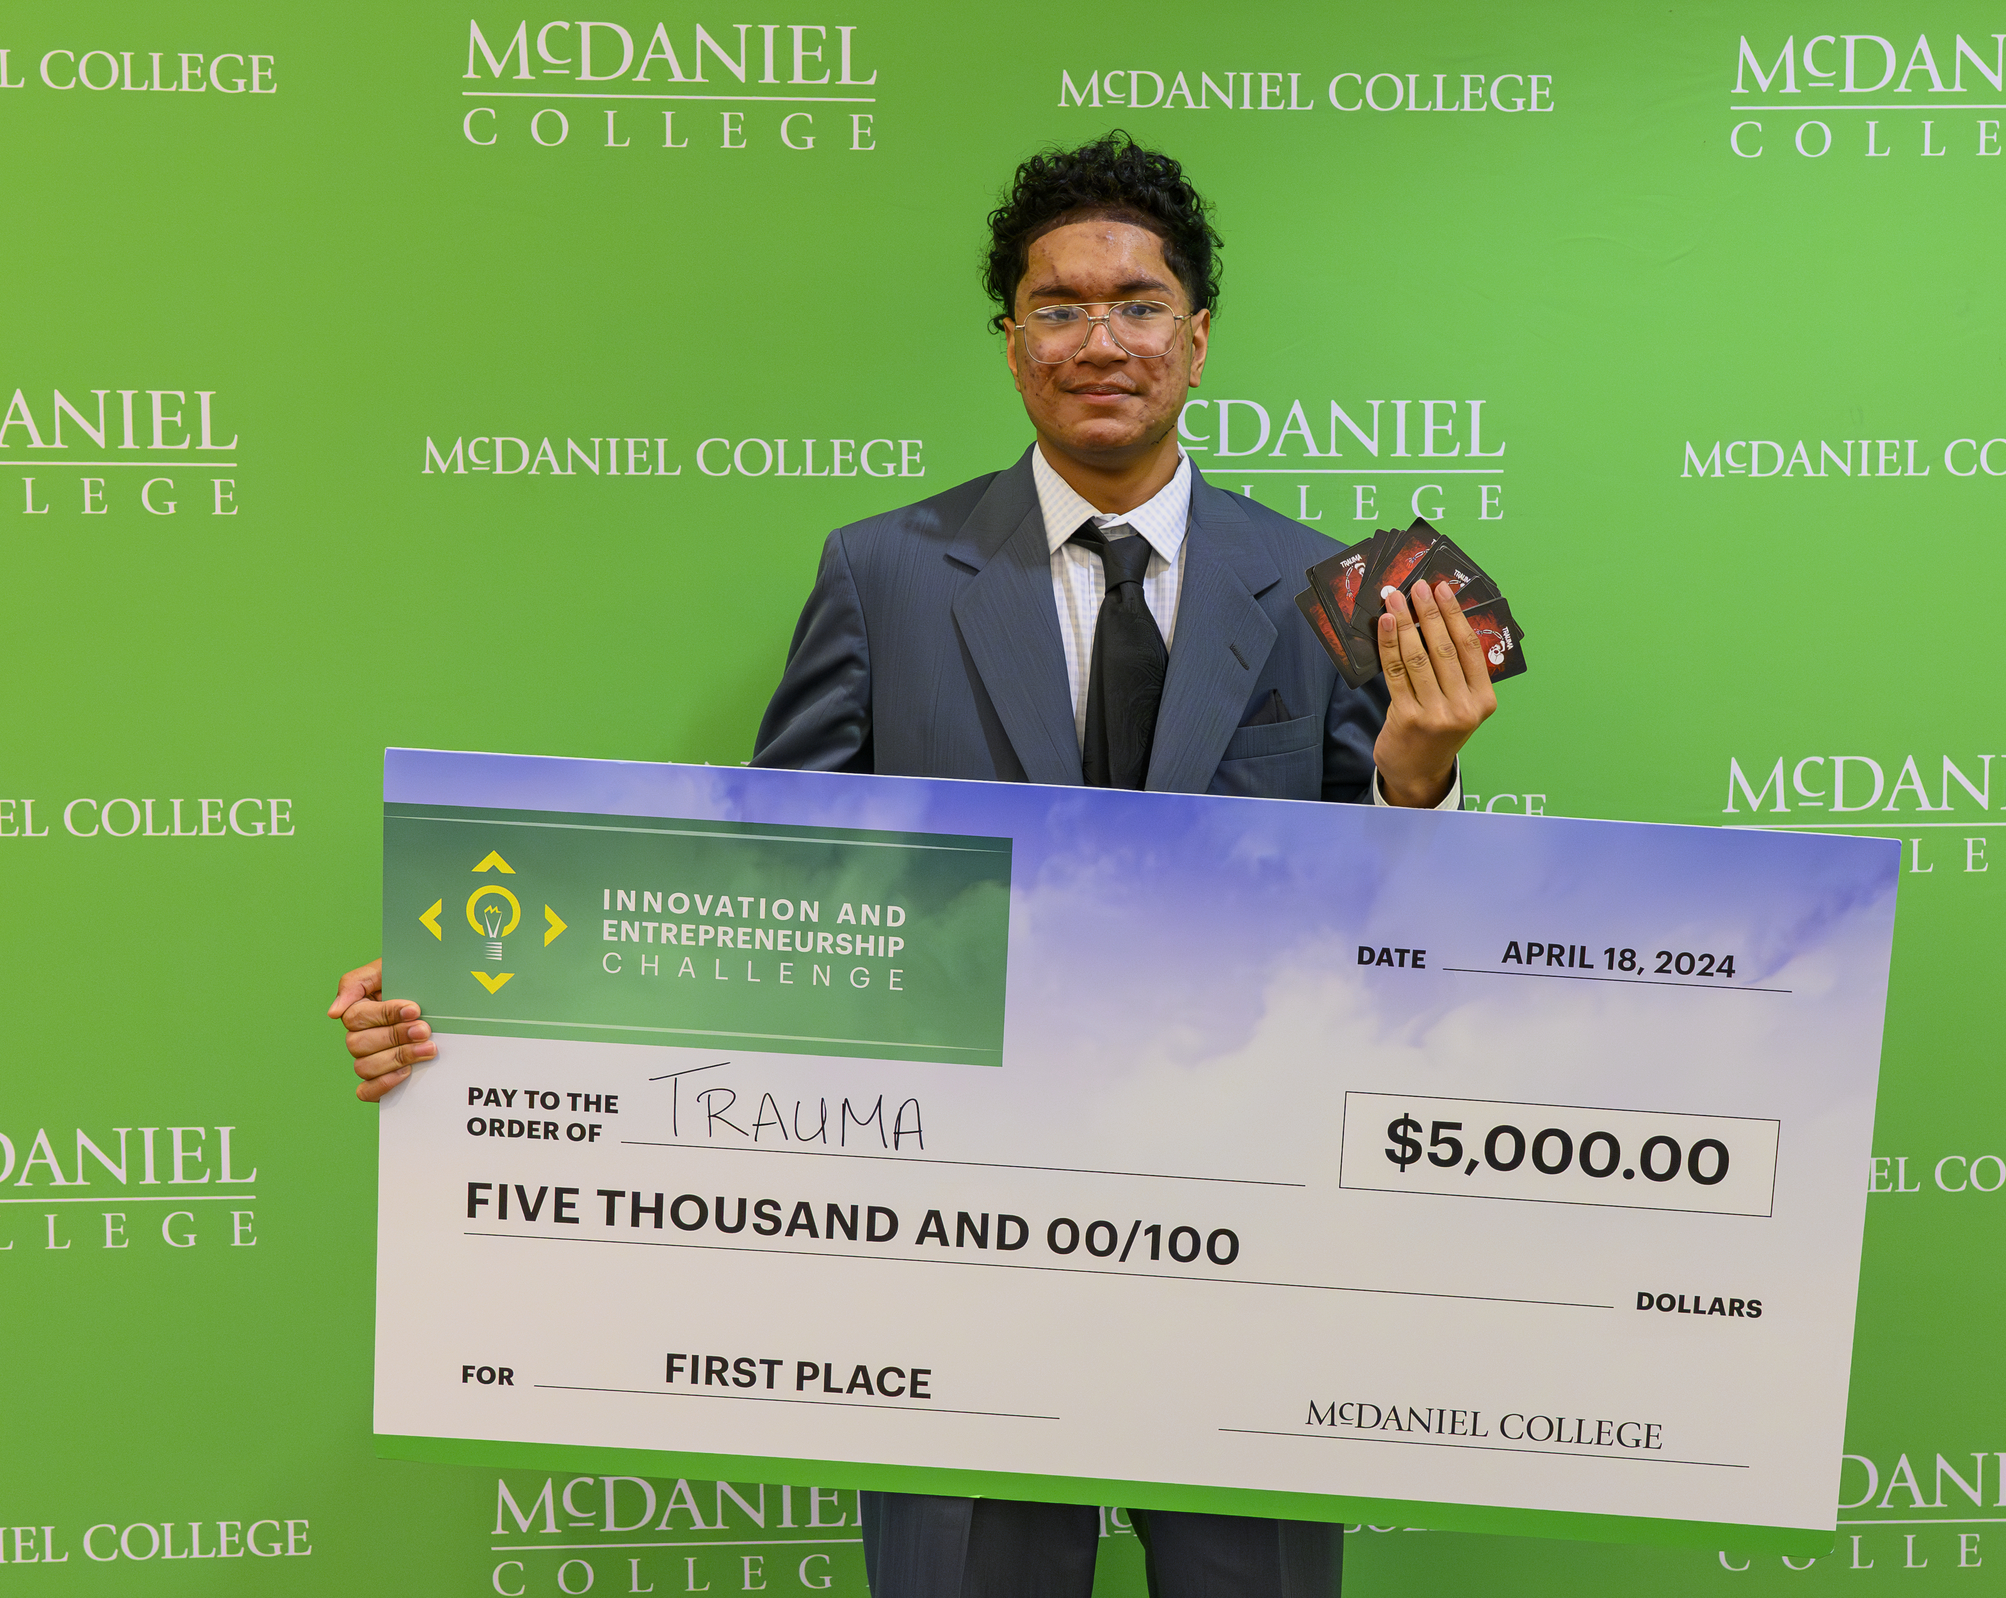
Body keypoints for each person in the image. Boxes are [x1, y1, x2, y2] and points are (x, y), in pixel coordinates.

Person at [330, 132, 1497, 1598]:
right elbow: (752, 897)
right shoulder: (882, 574)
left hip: (1245, 1227)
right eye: (1055, 307)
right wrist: (475, 994)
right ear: (1011, 344)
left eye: (1137, 304)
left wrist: (1417, 781)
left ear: (1197, 337)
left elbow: (1400, 941)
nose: (1099, 339)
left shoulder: (1321, 592)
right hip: (956, 1243)